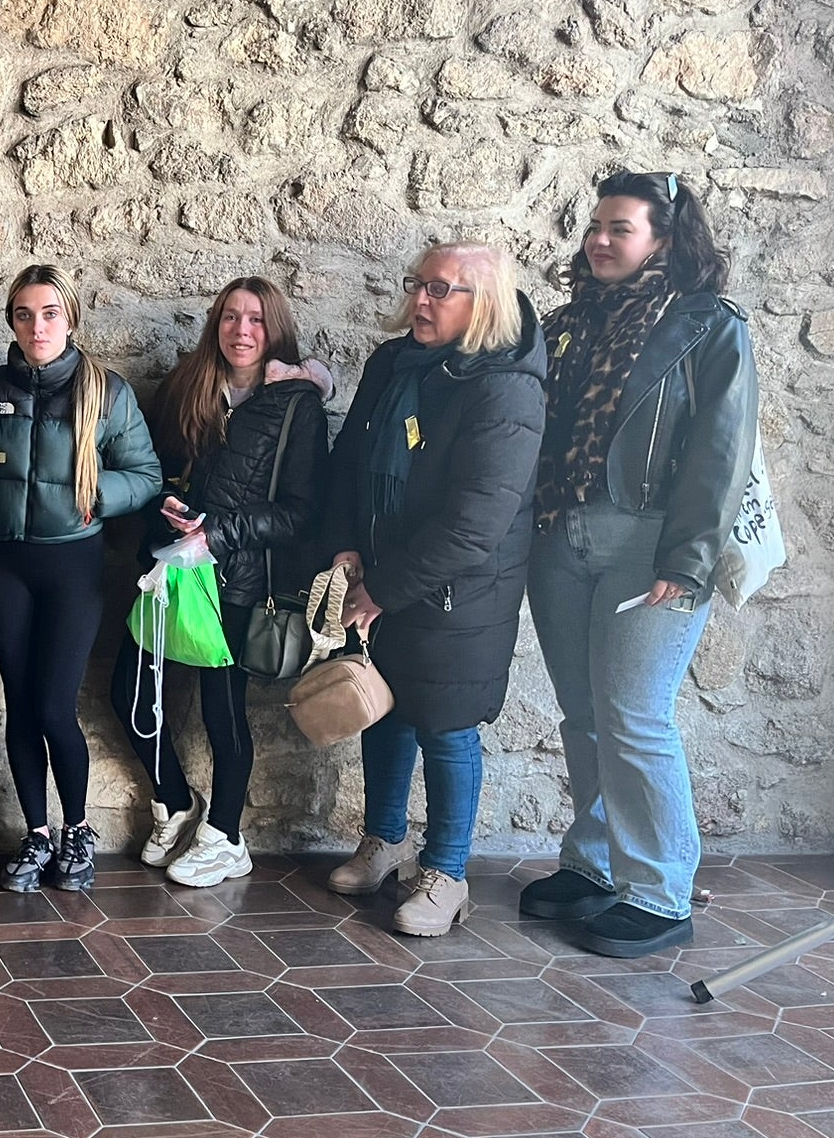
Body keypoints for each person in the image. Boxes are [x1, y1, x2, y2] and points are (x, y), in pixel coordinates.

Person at [523, 172, 757, 957]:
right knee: (584, 714)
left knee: (633, 714)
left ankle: (659, 893)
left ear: (663, 238)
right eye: (595, 226)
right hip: (562, 537)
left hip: (649, 543)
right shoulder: (567, 323)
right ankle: (591, 867)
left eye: (619, 228)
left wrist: (688, 562)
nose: (599, 239)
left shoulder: (706, 326)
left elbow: (719, 455)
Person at [321, 242, 547, 936]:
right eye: (417, 284)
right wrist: (347, 543)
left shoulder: (506, 385)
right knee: (384, 708)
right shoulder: (394, 364)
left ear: (484, 304)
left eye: (439, 290)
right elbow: (352, 461)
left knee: (446, 726)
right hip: (384, 576)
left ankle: (447, 872)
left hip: (458, 595)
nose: (419, 300)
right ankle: (385, 842)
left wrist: (382, 589)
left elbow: (476, 520)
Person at [112, 278, 331, 889]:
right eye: (231, 317)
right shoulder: (190, 387)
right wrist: (170, 503)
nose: (241, 330)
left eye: (256, 320)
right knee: (129, 695)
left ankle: (228, 836)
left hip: (236, 581)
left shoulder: (296, 406)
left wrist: (221, 533)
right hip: (172, 575)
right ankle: (177, 803)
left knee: (222, 713)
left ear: (274, 330)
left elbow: (301, 511)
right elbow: (161, 472)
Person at [0, 265, 159, 892]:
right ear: (11, 323)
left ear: (70, 318)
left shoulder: (107, 391)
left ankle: (78, 828)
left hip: (73, 566)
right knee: (21, 708)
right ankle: (38, 834)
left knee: (52, 706)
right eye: (24, 314)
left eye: (50, 313)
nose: (37, 325)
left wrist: (98, 491)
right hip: (5, 567)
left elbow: (148, 475)